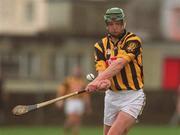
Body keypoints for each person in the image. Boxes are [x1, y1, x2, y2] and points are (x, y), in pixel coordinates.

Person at [85, 7, 146, 135]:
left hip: (132, 96)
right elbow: (103, 73)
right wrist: (102, 84)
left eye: (118, 24)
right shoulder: (100, 46)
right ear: (107, 25)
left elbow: (119, 64)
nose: (114, 27)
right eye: (111, 24)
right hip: (111, 97)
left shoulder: (133, 41)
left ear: (124, 23)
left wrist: (95, 81)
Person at [56, 67, 91, 135]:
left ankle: (75, 133)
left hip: (80, 101)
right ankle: (66, 130)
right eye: (76, 71)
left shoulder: (83, 82)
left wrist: (88, 105)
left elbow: (86, 95)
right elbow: (61, 91)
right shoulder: (68, 80)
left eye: (79, 71)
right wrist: (59, 100)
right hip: (71, 101)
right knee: (72, 118)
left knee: (78, 120)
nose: (77, 73)